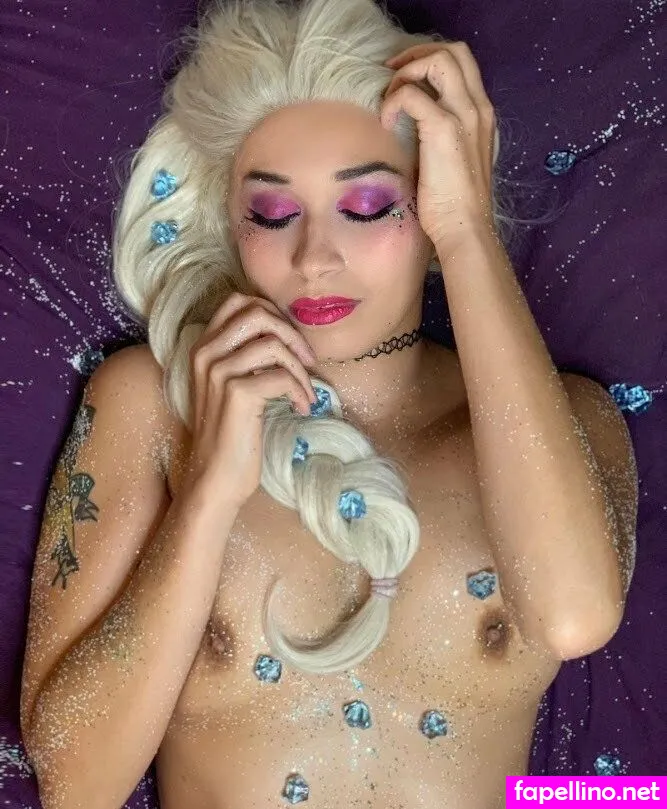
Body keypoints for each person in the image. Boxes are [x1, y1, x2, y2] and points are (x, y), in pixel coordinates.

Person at [20, 0, 639, 806]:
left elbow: (572, 618)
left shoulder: (566, 418)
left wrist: (467, 233)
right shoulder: (151, 403)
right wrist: (208, 497)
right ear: (227, 221)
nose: (315, 257)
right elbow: (72, 784)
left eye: (367, 206)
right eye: (273, 214)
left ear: (434, 199)